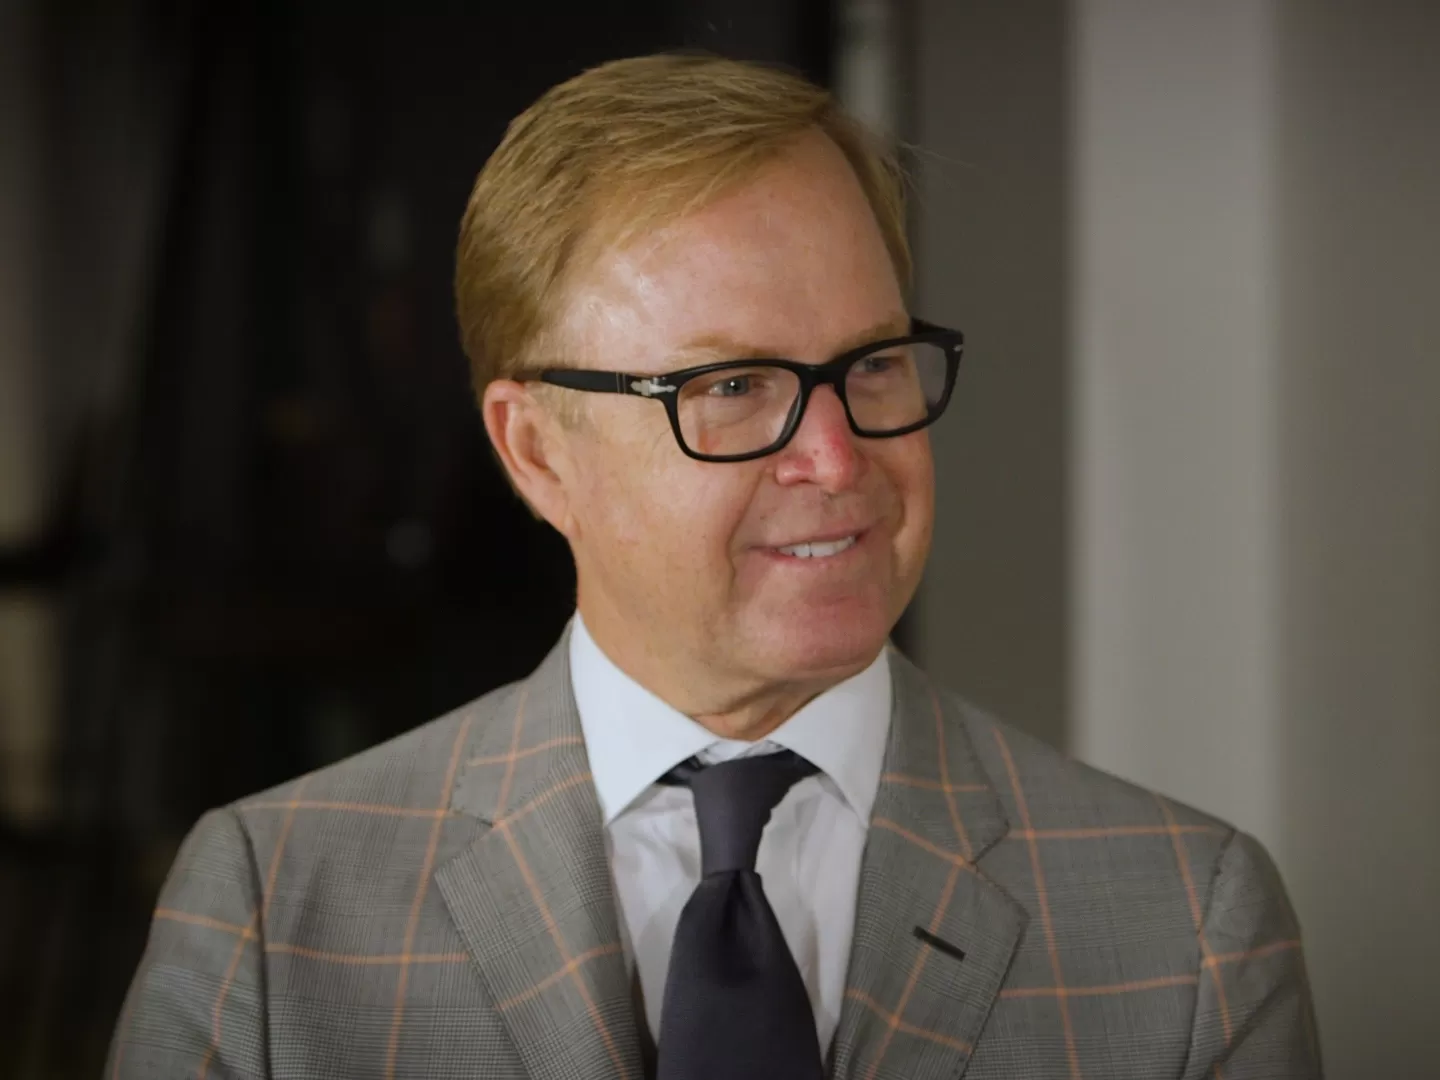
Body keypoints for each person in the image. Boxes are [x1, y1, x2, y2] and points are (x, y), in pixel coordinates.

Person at [108, 54, 1322, 1079]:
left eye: (872, 364)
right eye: (732, 385)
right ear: (536, 452)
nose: (837, 457)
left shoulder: (1188, 927)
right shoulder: (274, 909)